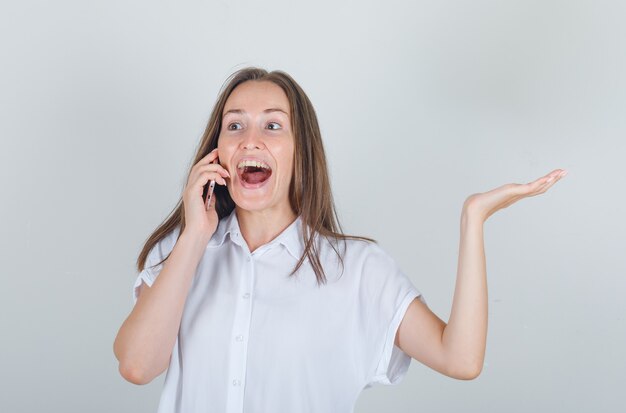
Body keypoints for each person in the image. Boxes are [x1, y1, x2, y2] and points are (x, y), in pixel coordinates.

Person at [113, 66, 567, 412]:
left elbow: (460, 358)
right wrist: (195, 236)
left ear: (300, 151)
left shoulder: (358, 270)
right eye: (235, 126)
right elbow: (137, 366)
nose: (250, 139)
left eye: (272, 126)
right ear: (218, 152)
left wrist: (474, 219)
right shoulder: (180, 251)